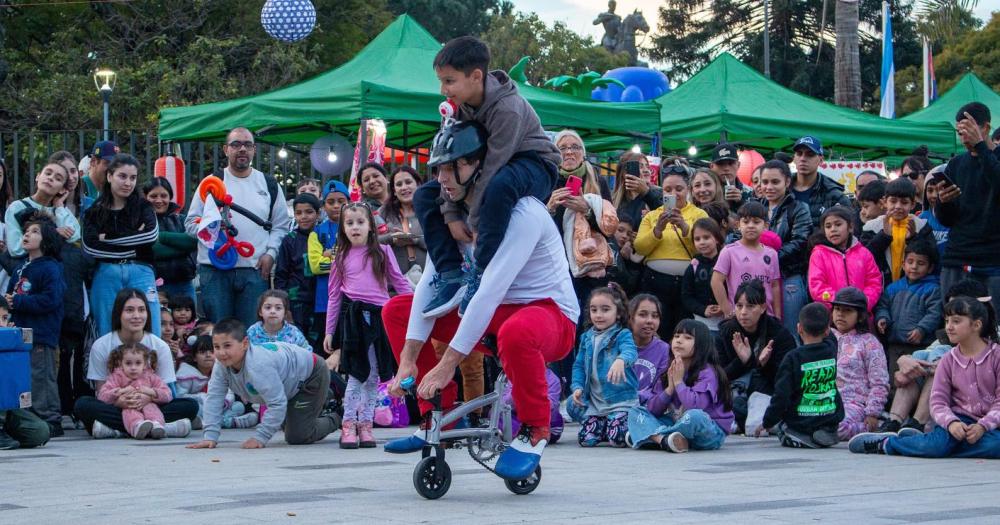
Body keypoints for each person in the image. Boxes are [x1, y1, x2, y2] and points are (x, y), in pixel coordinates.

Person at [381, 120, 578, 481]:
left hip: (550, 319)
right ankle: (434, 416)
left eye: (452, 167)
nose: (442, 178)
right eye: (438, 168)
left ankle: (535, 429)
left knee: (517, 331)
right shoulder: (450, 212)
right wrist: (407, 361)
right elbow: (431, 282)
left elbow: (489, 291)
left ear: (479, 166)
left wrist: (446, 364)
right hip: (490, 316)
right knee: (397, 310)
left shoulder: (523, 213)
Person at [420, 36, 560, 317]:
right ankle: (451, 274)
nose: (442, 89)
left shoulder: (507, 109)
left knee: (500, 186)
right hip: (486, 167)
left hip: (533, 163)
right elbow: (447, 162)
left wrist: (473, 221)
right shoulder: (456, 109)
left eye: (449, 81)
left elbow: (494, 167)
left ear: (475, 76)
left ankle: (480, 272)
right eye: (441, 81)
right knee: (423, 195)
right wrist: (449, 213)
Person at [850, 296, 1000, 458]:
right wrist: (951, 423)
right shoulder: (948, 360)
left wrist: (982, 426)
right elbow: (938, 402)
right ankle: (887, 444)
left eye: (956, 321)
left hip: (991, 426)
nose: (949, 327)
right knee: (938, 445)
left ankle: (921, 442)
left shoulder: (996, 356)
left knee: (994, 446)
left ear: (976, 325)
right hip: (957, 422)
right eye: (947, 321)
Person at [323, 203, 412, 448]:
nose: (355, 227)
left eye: (360, 222)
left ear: (370, 227)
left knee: (373, 376)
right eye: (349, 223)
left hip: (380, 318)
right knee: (356, 374)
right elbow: (333, 296)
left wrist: (416, 309)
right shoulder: (340, 257)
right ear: (342, 228)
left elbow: (400, 283)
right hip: (354, 320)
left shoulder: (383, 251)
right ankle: (348, 424)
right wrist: (330, 330)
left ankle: (366, 425)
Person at [184, 127, 291, 327]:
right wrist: (214, 231)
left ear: (254, 150)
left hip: (254, 271)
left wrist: (271, 253)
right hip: (214, 271)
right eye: (236, 144)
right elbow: (191, 223)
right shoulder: (211, 182)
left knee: (251, 334)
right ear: (226, 150)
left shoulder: (268, 184)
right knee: (219, 333)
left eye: (247, 145)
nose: (242, 149)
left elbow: (281, 225)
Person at [186, 318, 339, 449]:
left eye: (227, 346)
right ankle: (323, 399)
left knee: (298, 436)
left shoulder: (258, 365)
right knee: (287, 425)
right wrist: (210, 436)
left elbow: (277, 404)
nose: (221, 353)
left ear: (245, 344)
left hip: (311, 375)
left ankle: (339, 415)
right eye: (217, 347)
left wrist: (260, 437)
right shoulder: (222, 364)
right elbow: (214, 398)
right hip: (288, 383)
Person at [75, 289, 198, 438]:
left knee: (190, 406)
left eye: (141, 310)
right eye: (129, 310)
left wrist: (149, 397)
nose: (136, 316)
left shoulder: (159, 346)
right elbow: (101, 393)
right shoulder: (101, 345)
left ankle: (118, 430)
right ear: (118, 313)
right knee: (83, 405)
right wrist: (120, 401)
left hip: (152, 405)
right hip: (116, 405)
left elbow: (166, 392)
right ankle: (159, 427)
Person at [881, 279, 987, 434]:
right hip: (945, 403)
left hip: (978, 407)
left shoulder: (994, 339)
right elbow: (924, 356)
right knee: (917, 365)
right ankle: (893, 424)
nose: (950, 325)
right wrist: (905, 362)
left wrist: (941, 369)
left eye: (957, 315)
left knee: (940, 368)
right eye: (948, 316)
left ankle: (917, 425)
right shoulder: (947, 337)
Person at [83, 154, 161, 337]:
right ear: (110, 176)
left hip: (141, 270)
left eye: (133, 178)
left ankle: (152, 366)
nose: (128, 183)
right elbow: (90, 247)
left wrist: (107, 239)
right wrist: (135, 240)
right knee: (106, 332)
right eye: (122, 176)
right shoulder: (94, 211)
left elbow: (150, 236)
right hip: (106, 273)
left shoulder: (143, 206)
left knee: (151, 330)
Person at [626, 319, 734, 452]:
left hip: (709, 432)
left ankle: (652, 435)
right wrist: (669, 389)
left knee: (695, 416)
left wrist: (678, 383)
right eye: (676, 336)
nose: (679, 340)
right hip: (678, 424)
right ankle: (665, 440)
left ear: (702, 345)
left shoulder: (708, 372)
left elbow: (695, 406)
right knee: (636, 411)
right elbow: (653, 410)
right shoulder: (670, 369)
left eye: (687, 337)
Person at [933, 103, 1000, 314]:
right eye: (960, 132)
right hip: (958, 257)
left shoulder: (995, 158)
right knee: (956, 323)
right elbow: (947, 219)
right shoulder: (956, 164)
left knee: (994, 327)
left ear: (986, 128)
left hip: (994, 259)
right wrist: (943, 202)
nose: (964, 137)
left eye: (968, 130)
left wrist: (981, 147)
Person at [6, 213, 66, 436]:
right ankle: (32, 416)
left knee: (42, 376)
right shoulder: (22, 267)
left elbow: (51, 299)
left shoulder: (50, 267)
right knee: (28, 376)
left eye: (34, 232)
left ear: (46, 239)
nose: (27, 234)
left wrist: (18, 301)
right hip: (21, 334)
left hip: (41, 334)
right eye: (26, 231)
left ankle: (50, 418)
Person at [634, 164, 708, 338]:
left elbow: (706, 246)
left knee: (684, 330)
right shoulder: (652, 216)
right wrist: (657, 230)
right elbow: (640, 247)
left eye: (679, 189)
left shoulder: (699, 214)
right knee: (657, 328)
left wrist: (684, 226)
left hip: (687, 283)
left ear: (688, 190)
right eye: (668, 189)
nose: (673, 193)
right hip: (655, 281)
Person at [716, 280, 797, 433]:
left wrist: (764, 365)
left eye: (750, 306)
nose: (743, 312)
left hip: (766, 393)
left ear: (763, 308)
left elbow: (787, 379)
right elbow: (718, 376)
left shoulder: (779, 334)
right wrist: (743, 361)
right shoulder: (726, 332)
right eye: (739, 306)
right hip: (734, 392)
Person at [759, 303, 844, 448]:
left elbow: (781, 396)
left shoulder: (792, 358)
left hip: (802, 419)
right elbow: (830, 337)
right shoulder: (831, 349)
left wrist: (767, 422)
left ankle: (802, 436)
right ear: (827, 330)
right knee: (825, 418)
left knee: (782, 427)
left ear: (799, 328)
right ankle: (826, 431)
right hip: (829, 415)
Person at [569, 284, 638, 447]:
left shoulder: (622, 334)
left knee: (618, 440)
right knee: (586, 440)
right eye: (594, 310)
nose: (599, 315)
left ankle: (623, 423)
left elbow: (631, 351)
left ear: (618, 313)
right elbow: (578, 366)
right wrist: (577, 387)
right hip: (597, 405)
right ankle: (607, 425)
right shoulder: (586, 337)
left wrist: (621, 360)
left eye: (605, 310)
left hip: (621, 402)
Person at [758, 159, 813, 334]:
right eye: (765, 182)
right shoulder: (757, 207)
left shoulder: (799, 208)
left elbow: (800, 241)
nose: (769, 187)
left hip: (789, 276)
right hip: (760, 277)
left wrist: (767, 257)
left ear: (787, 182)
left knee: (791, 332)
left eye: (775, 182)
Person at [875, 240, 943, 378]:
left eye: (921, 263)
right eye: (910, 262)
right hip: (895, 344)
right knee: (895, 379)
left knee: (917, 379)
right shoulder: (892, 288)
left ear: (930, 268)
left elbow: (934, 313)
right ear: (903, 265)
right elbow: (883, 306)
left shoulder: (933, 289)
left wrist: (921, 329)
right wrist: (882, 318)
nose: (914, 267)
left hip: (920, 345)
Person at [830, 287, 889, 441]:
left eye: (847, 310)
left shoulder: (869, 342)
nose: (840, 314)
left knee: (836, 427)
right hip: (824, 400)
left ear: (861, 316)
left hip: (854, 403)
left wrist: (872, 412)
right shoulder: (826, 337)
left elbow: (879, 382)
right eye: (837, 309)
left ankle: (876, 427)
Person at [712, 202, 782, 319]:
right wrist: (728, 311)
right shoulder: (729, 251)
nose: (750, 226)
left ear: (766, 226)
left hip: (766, 317)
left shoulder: (772, 254)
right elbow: (716, 282)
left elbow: (775, 286)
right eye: (746, 221)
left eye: (756, 222)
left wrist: (777, 315)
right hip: (740, 317)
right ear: (738, 225)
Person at [807, 206, 882, 312]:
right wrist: (840, 303)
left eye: (838, 224)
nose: (833, 229)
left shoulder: (864, 253)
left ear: (850, 227)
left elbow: (874, 282)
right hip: (831, 315)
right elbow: (816, 285)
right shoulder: (819, 254)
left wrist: (863, 302)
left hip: (860, 314)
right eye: (828, 226)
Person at [0, 297, 52, 450]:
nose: (2, 324)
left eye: (4, 318)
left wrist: (10, 346)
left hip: (7, 408)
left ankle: (3, 431)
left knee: (40, 432)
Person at [176, 334, 259, 430]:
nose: (208, 355)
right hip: (201, 407)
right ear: (194, 357)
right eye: (202, 352)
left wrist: (225, 402)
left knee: (238, 406)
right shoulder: (186, 373)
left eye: (211, 351)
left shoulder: (221, 369)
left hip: (220, 407)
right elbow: (180, 397)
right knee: (196, 408)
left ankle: (223, 420)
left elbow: (229, 391)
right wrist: (202, 397)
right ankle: (227, 422)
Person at [862, 177, 934, 285]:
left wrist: (913, 238)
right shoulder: (872, 227)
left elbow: (931, 256)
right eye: (893, 201)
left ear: (913, 204)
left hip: (912, 288)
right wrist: (884, 236)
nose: (898, 206)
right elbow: (864, 258)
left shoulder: (921, 226)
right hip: (879, 287)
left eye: (904, 202)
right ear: (885, 202)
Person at [307, 180, 349, 359]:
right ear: (323, 205)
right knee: (327, 348)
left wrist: (329, 255)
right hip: (325, 301)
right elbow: (316, 266)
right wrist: (343, 259)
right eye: (331, 202)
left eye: (341, 201)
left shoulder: (356, 225)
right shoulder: (317, 232)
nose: (336, 206)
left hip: (353, 298)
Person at [96, 343, 174, 439]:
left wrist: (151, 393)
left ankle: (156, 425)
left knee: (153, 408)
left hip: (150, 407)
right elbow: (102, 396)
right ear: (121, 363)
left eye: (138, 363)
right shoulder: (116, 377)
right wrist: (120, 392)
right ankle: (137, 426)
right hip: (125, 409)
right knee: (129, 410)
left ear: (145, 364)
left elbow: (168, 395)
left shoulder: (151, 377)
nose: (133, 368)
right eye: (128, 363)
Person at [5, 162, 79, 258]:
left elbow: (74, 236)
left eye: (58, 179)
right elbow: (15, 249)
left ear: (62, 190)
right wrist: (53, 233)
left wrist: (60, 207)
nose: (50, 178)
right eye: (48, 173)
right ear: (37, 177)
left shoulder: (60, 211)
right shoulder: (17, 207)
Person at [275, 193, 320, 339]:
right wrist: (284, 306)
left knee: (318, 340)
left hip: (319, 299)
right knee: (297, 340)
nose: (304, 216)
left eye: (309, 212)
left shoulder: (324, 236)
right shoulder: (290, 240)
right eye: (299, 213)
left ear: (318, 214)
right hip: (296, 301)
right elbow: (281, 274)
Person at [144, 177, 196, 302]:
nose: (159, 200)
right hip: (156, 286)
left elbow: (194, 241)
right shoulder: (141, 222)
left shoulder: (181, 219)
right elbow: (153, 250)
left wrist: (162, 236)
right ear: (145, 197)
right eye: (153, 196)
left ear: (170, 197)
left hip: (184, 284)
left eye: (164, 195)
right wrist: (183, 246)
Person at [790, 136, 852, 228]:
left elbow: (847, 231)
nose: (803, 158)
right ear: (794, 158)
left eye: (810, 154)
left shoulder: (835, 196)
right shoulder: (780, 189)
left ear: (821, 160)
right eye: (799, 154)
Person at [378, 166, 426, 283]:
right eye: (399, 184)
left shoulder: (429, 210)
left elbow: (439, 243)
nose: (404, 187)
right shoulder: (383, 212)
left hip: (428, 281)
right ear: (394, 190)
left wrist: (414, 240)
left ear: (418, 184)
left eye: (408, 182)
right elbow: (371, 241)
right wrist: (391, 238)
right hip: (393, 285)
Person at [681, 218, 724, 333]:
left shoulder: (727, 262)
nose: (702, 242)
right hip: (701, 324)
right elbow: (686, 296)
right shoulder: (693, 266)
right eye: (697, 239)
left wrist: (724, 306)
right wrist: (702, 309)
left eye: (706, 237)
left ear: (717, 239)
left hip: (726, 322)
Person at [629, 294, 669, 406]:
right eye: (642, 315)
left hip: (646, 408)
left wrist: (638, 398)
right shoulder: (619, 344)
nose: (649, 321)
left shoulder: (664, 349)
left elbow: (659, 390)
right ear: (631, 318)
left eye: (655, 316)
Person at [610, 150, 662, 230]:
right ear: (625, 173)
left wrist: (646, 193)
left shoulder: (658, 194)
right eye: (640, 167)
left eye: (647, 166)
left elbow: (666, 216)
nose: (646, 170)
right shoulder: (614, 202)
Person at [709, 143, 754, 211]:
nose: (726, 168)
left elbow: (755, 219)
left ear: (738, 165)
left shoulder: (750, 193)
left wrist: (741, 203)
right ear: (711, 166)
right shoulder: (706, 192)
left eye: (731, 163)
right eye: (720, 164)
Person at [920, 167, 949, 260]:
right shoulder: (922, 218)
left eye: (940, 190)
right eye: (930, 190)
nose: (934, 195)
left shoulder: (961, 219)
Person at [900, 146, 934, 213]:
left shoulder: (938, 204)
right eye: (904, 176)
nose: (908, 179)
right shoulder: (901, 206)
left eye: (913, 175)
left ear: (927, 174)